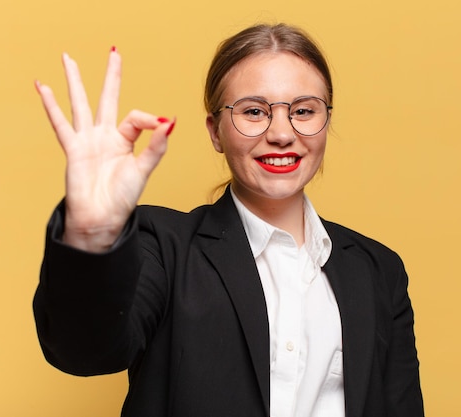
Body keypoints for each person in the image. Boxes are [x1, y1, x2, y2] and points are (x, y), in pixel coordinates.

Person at [33, 23, 424, 417]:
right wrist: (90, 235)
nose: (282, 133)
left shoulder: (378, 271)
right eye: (254, 111)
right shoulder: (164, 249)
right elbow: (82, 352)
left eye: (304, 111)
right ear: (215, 132)